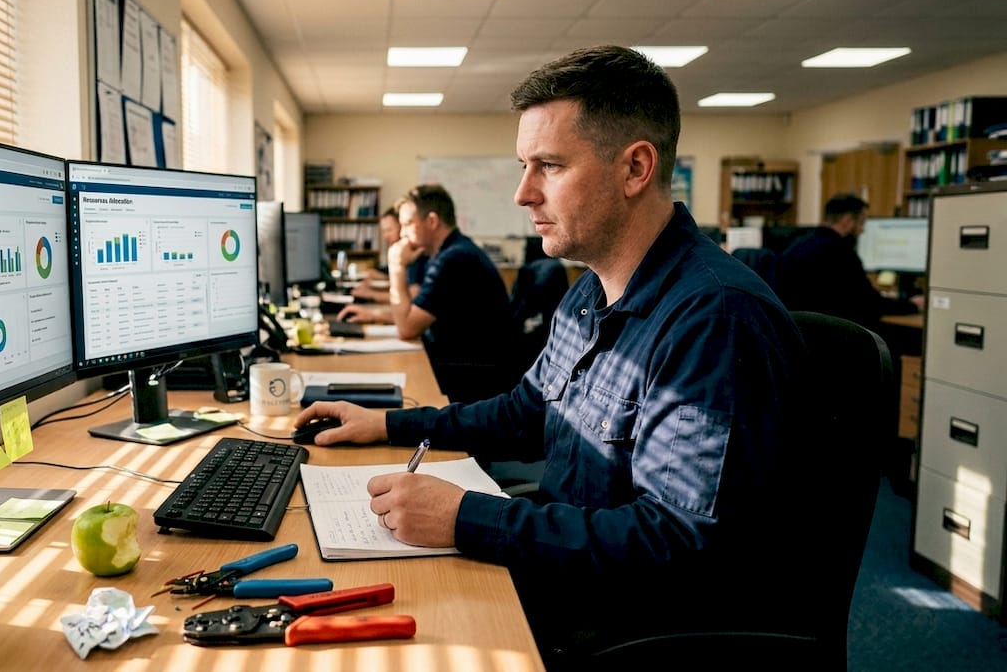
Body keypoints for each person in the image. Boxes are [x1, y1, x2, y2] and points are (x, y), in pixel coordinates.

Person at [294, 45, 813, 665]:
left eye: (548, 166)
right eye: (524, 165)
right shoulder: (590, 292)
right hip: (562, 563)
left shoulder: (715, 318)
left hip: (624, 620)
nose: (522, 193)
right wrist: (387, 423)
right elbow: (527, 410)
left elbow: (677, 540)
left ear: (635, 168)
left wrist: (466, 518)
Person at [346, 183, 515, 402]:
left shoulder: (454, 259)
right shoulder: (451, 252)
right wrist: (376, 316)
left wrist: (396, 266)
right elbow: (418, 311)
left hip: (471, 377)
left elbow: (406, 328)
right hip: (462, 364)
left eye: (407, 224)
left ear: (432, 221)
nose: (402, 233)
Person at [777, 193, 923, 328]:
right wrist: (913, 305)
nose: (862, 231)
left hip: (798, 336)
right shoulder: (840, 252)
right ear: (847, 221)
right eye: (862, 223)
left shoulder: (797, 244)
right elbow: (872, 304)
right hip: (831, 337)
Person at [343, 205, 426, 314]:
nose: (386, 237)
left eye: (389, 230)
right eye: (384, 231)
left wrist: (371, 295)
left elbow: (412, 296)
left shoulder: (417, 255)